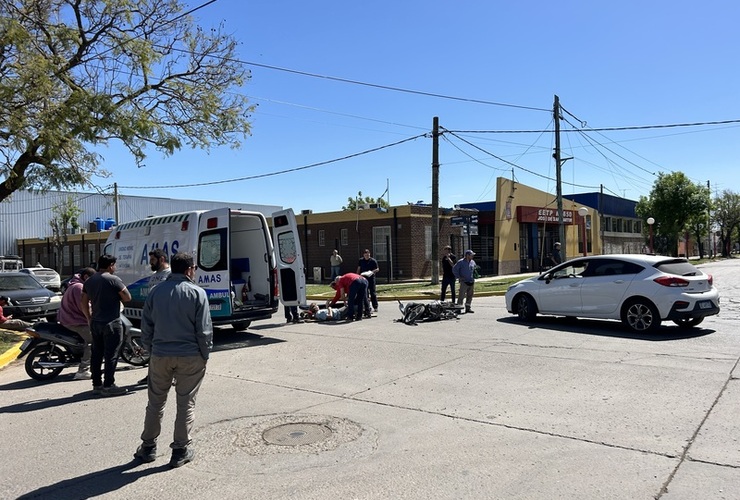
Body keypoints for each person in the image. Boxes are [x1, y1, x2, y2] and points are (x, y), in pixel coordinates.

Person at [135, 252, 213, 468]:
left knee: (155, 402)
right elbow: (204, 331)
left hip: (160, 355)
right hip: (190, 356)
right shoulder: (197, 294)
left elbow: (146, 326)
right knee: (186, 402)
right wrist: (205, 355)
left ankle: (148, 447)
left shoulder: (155, 292)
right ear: (189, 270)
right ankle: (180, 450)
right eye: (194, 268)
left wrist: (152, 349)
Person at [81, 254, 132, 397]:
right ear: (110, 265)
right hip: (112, 322)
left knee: (96, 354)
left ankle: (96, 384)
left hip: (95, 322)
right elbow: (127, 297)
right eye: (114, 265)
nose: (115, 268)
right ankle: (109, 384)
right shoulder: (113, 280)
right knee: (111, 354)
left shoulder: (89, 281)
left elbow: (83, 302)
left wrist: (88, 318)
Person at [138, 249, 172, 385]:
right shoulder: (154, 276)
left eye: (152, 260)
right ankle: (152, 374)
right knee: (152, 346)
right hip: (152, 317)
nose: (150, 263)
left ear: (162, 259)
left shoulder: (170, 275)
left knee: (167, 347)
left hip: (165, 318)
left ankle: (171, 376)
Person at [57, 267, 96, 380]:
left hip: (69, 318)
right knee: (92, 341)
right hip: (75, 321)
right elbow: (84, 306)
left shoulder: (74, 285)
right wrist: (93, 315)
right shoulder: (80, 287)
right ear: (86, 277)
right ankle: (83, 370)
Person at [452, 250, 477, 314]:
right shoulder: (461, 262)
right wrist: (459, 277)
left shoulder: (472, 262)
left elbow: (475, 269)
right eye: (471, 255)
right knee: (461, 296)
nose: (472, 256)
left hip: (471, 281)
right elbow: (454, 270)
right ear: (467, 255)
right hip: (464, 282)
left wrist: (475, 274)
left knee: (470, 295)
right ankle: (458, 308)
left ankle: (468, 308)